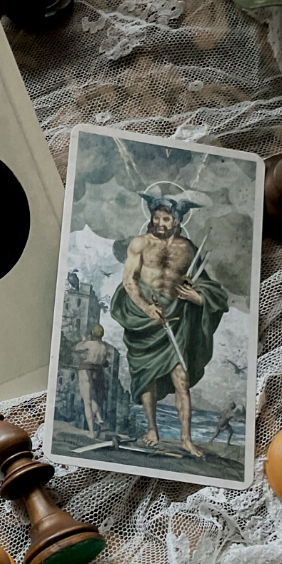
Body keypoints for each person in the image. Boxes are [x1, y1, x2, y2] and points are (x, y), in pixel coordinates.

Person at [110, 194, 228, 458]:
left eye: (166, 219)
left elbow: (207, 286)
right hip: (145, 320)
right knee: (148, 378)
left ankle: (186, 439)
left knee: (181, 379)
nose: (160, 223)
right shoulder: (139, 244)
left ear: (177, 220)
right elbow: (129, 281)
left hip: (175, 320)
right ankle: (153, 430)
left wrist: (196, 297)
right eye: (156, 218)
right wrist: (147, 308)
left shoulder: (188, 249)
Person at [73, 324, 114, 436]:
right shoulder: (105, 347)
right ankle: (99, 418)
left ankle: (91, 432)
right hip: (98, 372)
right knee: (95, 399)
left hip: (86, 371)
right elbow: (105, 361)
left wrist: (83, 340)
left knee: (87, 402)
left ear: (93, 333)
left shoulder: (89, 344)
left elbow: (77, 348)